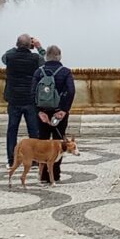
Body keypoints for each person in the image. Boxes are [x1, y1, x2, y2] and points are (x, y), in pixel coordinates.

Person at [32, 45, 75, 182]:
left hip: (43, 113)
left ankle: (44, 175)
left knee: (43, 143)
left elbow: (32, 93)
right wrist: (64, 110)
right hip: (59, 113)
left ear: (46, 57)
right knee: (59, 144)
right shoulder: (65, 72)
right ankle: (55, 175)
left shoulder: (39, 72)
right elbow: (71, 91)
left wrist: (39, 112)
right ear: (59, 56)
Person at [2, 33, 46, 167]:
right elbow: (45, 62)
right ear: (30, 46)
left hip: (14, 99)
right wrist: (39, 47)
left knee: (12, 130)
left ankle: (11, 159)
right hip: (29, 99)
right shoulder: (35, 58)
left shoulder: (10, 56)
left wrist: (18, 46)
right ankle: (35, 159)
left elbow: (4, 56)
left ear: (17, 44)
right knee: (33, 130)